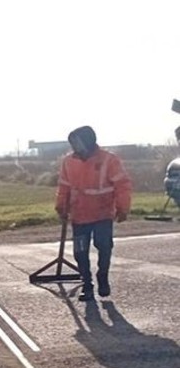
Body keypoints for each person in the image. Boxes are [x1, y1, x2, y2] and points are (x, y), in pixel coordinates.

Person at [55, 126, 132, 301]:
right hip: (79, 214)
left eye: (77, 142)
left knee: (104, 246)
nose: (74, 146)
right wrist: (61, 206)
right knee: (80, 252)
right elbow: (64, 186)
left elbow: (123, 185)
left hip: (103, 214)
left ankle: (102, 276)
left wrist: (123, 208)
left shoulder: (109, 160)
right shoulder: (68, 161)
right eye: (72, 143)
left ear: (88, 141)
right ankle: (87, 285)